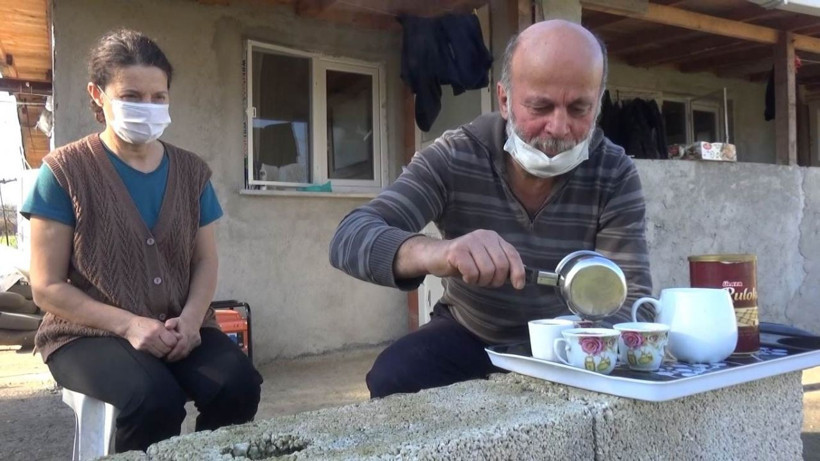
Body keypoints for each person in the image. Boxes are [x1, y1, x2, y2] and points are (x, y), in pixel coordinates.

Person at [329, 20, 652, 399]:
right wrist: (438, 252)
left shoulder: (612, 171)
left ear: (598, 102)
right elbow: (350, 236)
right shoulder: (455, 155)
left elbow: (633, 302)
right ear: (504, 100)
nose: (560, 127)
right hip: (472, 333)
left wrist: (565, 344)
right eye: (540, 106)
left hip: (570, 343)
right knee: (395, 376)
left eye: (579, 108)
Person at [21, 29, 262, 452]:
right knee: (154, 401)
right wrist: (129, 325)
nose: (147, 108)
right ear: (98, 94)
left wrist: (190, 321)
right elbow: (46, 287)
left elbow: (205, 262)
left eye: (159, 97)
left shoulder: (192, 173)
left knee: (238, 386)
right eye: (132, 96)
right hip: (86, 334)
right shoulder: (64, 173)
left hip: (176, 324)